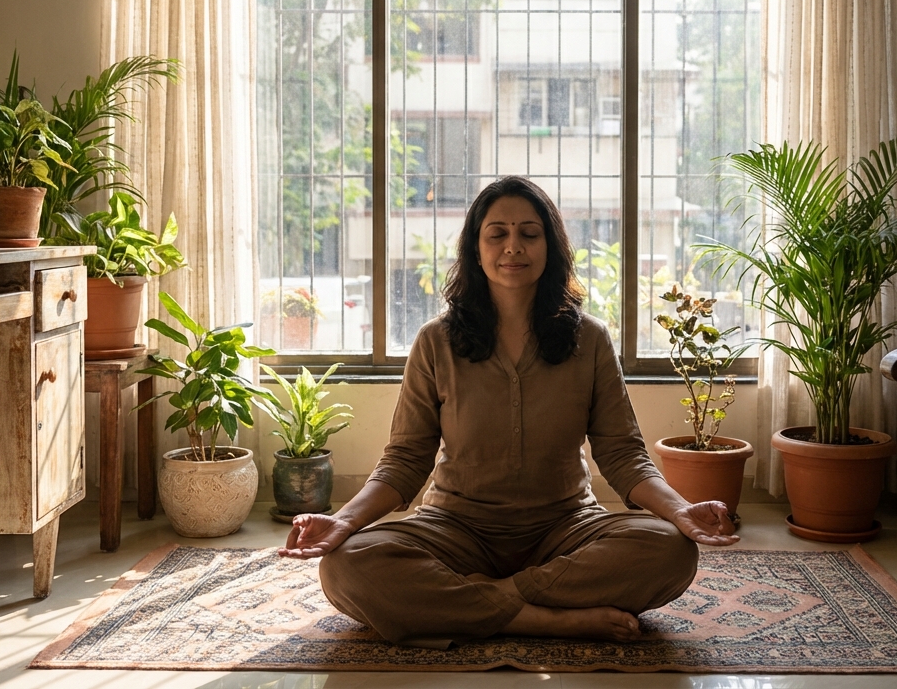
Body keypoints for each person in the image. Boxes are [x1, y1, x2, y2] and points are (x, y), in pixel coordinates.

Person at [277, 176, 739, 648]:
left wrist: (681, 511)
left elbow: (623, 455)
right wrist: (345, 522)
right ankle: (544, 619)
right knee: (346, 566)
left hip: (565, 526)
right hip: (455, 527)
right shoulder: (436, 342)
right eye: (497, 233)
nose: (513, 247)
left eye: (529, 233)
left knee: (670, 551)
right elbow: (405, 459)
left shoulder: (591, 339)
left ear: (550, 246)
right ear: (476, 249)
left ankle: (472, 605)